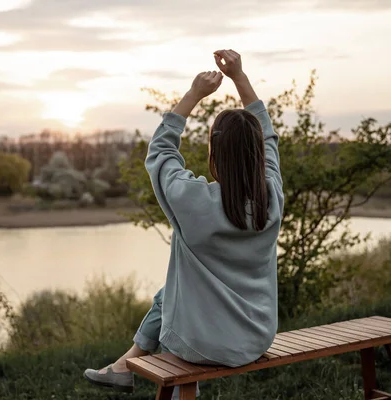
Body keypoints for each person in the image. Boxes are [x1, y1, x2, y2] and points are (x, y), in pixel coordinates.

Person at [83, 49, 284, 397]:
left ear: (214, 154)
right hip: (255, 337)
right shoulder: (272, 197)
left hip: (200, 343)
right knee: (171, 292)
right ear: (258, 154)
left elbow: (160, 153)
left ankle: (123, 367)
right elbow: (268, 136)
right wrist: (240, 77)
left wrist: (192, 95)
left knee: (176, 297)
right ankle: (121, 367)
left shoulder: (195, 201)